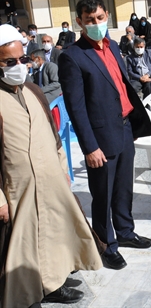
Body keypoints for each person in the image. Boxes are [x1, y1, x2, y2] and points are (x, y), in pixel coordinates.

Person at [0, 24, 102, 307]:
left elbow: (54, 136)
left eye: (22, 60)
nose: (19, 66)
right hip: (17, 190)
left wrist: (62, 170)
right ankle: (30, 292)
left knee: (55, 233)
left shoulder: (33, 90)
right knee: (25, 245)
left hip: (51, 180)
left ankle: (54, 282)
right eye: (10, 62)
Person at [58, 0, 151, 271]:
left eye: (100, 18)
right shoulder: (72, 57)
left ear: (107, 16)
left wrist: (132, 124)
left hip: (124, 129)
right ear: (80, 22)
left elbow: (120, 86)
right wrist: (89, 147)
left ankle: (125, 232)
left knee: (124, 188)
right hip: (100, 138)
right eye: (90, 20)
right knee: (103, 194)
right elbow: (75, 108)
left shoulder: (112, 45)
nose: (97, 24)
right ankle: (106, 244)